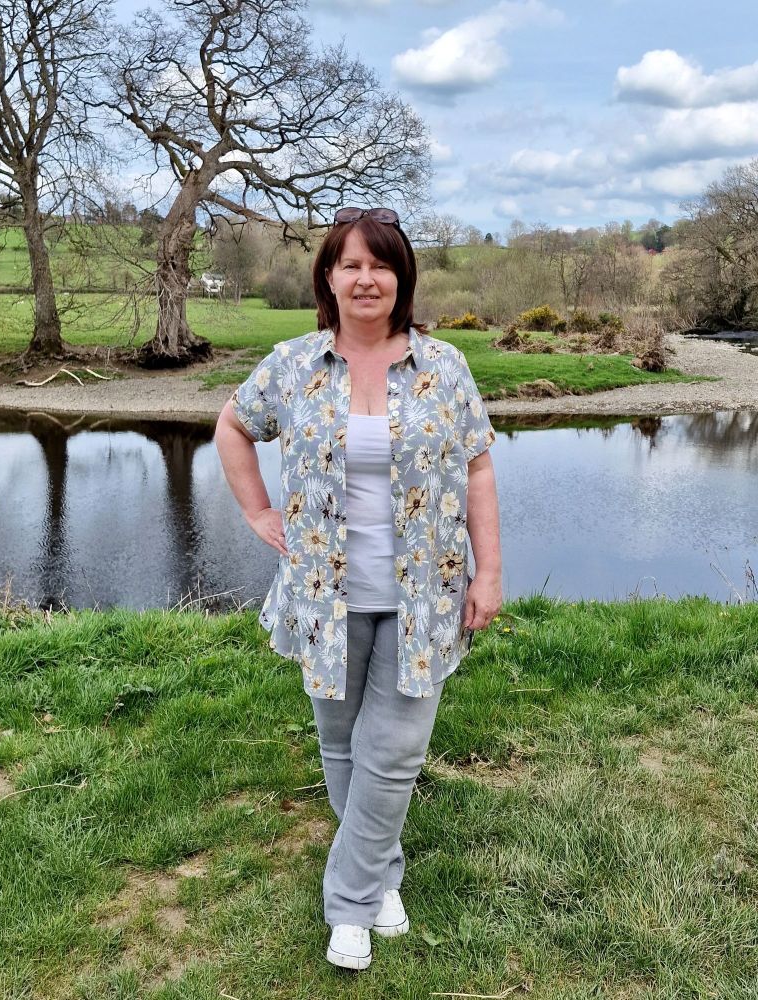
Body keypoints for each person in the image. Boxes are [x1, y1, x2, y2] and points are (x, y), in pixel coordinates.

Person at [214, 206, 502, 971]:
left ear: (401, 277)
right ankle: (381, 878)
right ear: (329, 278)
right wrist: (257, 511)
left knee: (396, 749)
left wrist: (492, 571)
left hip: (428, 594)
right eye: (351, 265)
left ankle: (348, 901)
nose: (366, 278)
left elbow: (477, 466)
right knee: (342, 746)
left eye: (381, 264)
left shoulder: (445, 367)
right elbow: (233, 426)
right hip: (324, 595)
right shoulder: (295, 362)